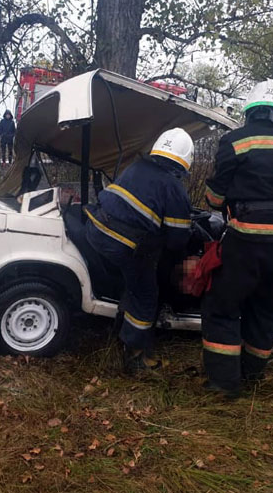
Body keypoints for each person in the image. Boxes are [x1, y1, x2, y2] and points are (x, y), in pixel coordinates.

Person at [202, 79, 273, 397]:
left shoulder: (236, 140)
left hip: (248, 238)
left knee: (222, 307)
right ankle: (252, 377)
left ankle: (223, 384)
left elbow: (214, 196)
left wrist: (220, 203)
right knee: (266, 310)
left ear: (251, 110)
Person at [85, 128, 194, 372]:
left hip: (96, 230)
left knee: (133, 283)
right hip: (122, 243)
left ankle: (119, 331)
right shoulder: (174, 188)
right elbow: (177, 241)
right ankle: (136, 357)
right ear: (185, 160)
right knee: (146, 295)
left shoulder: (137, 167)